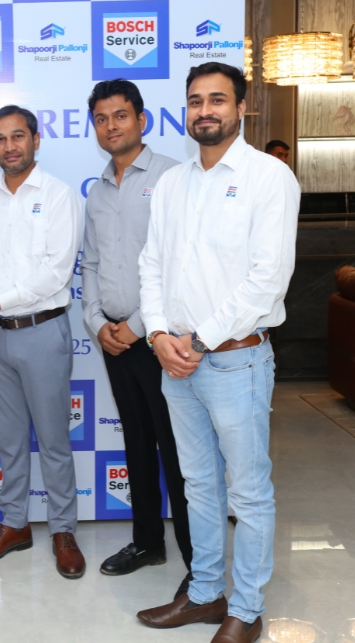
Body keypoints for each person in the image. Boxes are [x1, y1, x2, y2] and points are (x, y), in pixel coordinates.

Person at [134, 62, 299, 643]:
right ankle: (206, 594)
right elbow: (152, 264)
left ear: (241, 108)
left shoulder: (269, 177)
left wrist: (197, 340)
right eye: (195, 100)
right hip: (175, 361)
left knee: (247, 493)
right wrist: (158, 334)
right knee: (197, 485)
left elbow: (267, 279)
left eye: (217, 100)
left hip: (235, 361)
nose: (205, 110)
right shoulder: (172, 183)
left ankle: (246, 610)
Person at [0, 105, 86, 579]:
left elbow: (57, 271)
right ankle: (14, 524)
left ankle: (63, 530)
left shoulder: (58, 195)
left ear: (36, 139)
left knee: (53, 440)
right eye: (0, 138)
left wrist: (0, 297)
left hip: (42, 330)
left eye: (18, 136)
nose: (9, 146)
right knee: (10, 438)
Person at [81, 79, 193, 590]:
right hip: (114, 340)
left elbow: (178, 264)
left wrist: (138, 326)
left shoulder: (173, 177)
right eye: (102, 119)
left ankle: (199, 564)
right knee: (138, 443)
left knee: (178, 451)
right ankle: (148, 541)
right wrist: (97, 323)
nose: (111, 126)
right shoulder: (97, 190)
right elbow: (91, 265)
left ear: (141, 120)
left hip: (159, 340)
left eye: (120, 115)